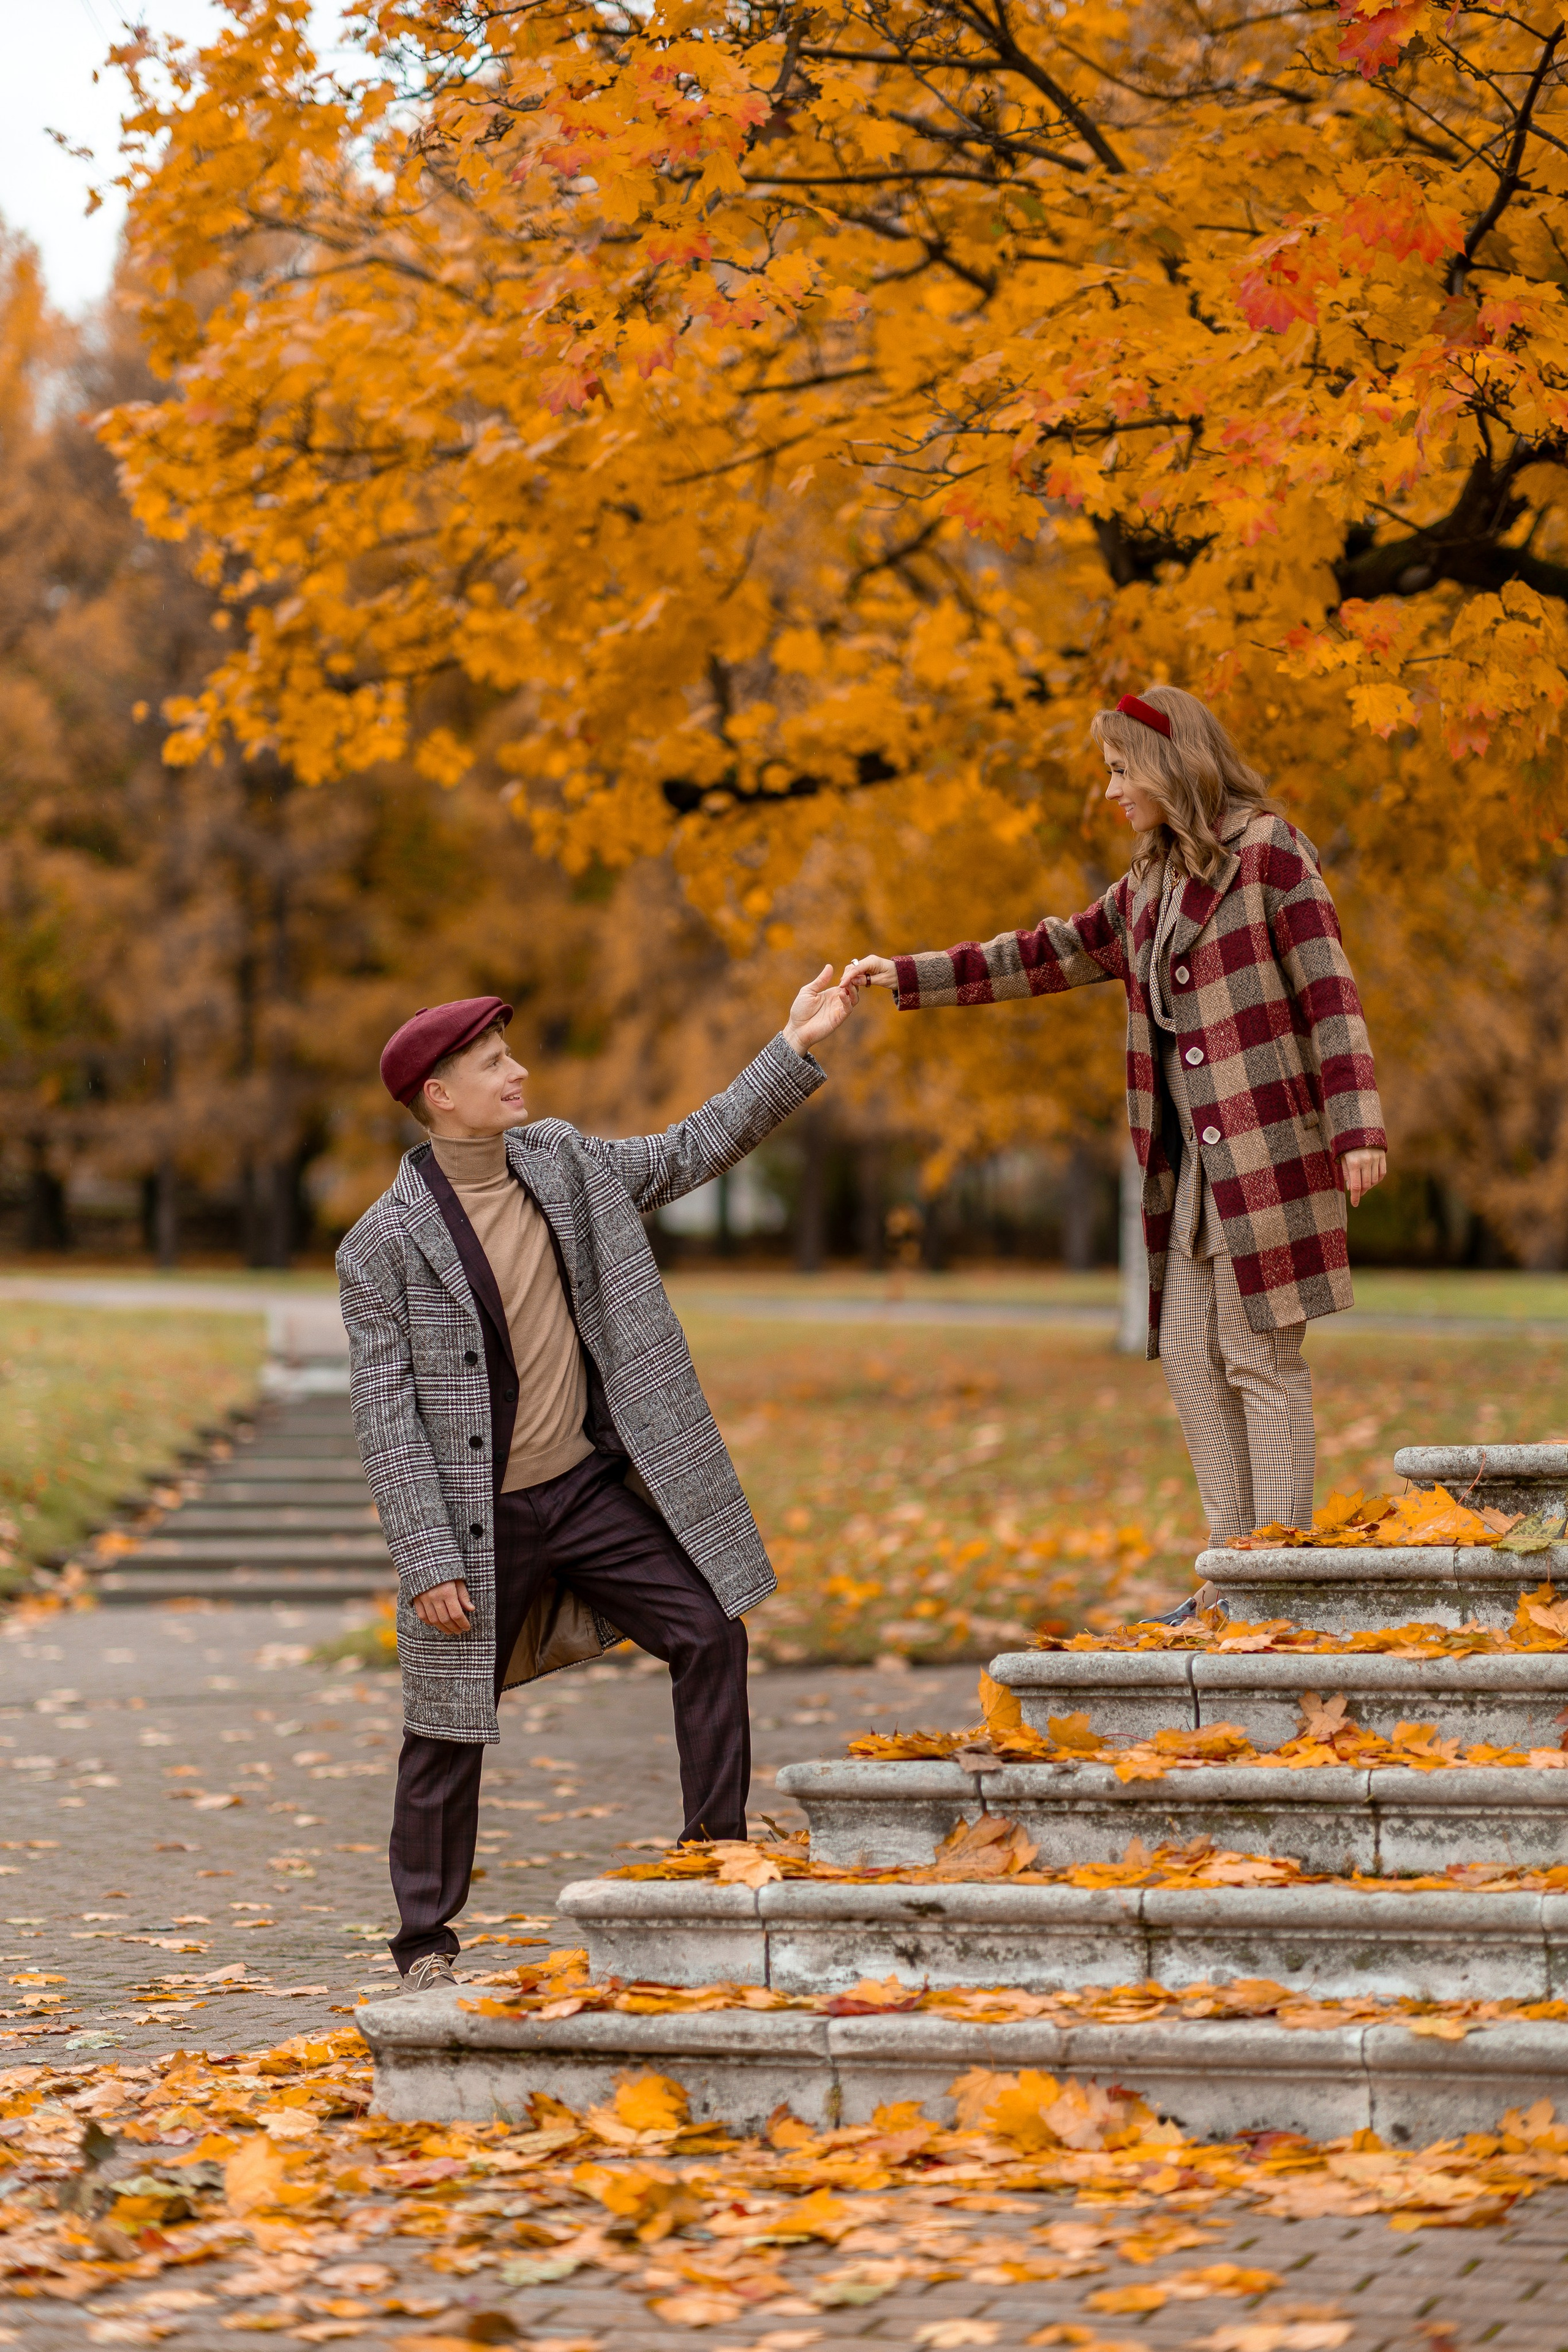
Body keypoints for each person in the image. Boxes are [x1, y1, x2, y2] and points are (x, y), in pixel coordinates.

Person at [337, 970, 858, 1990]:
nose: (517, 1073)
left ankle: (714, 1857)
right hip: (479, 1524)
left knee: (709, 1630)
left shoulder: (562, 1161)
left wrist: (792, 1047)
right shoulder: (382, 1248)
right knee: (446, 1724)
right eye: (495, 1065)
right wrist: (427, 1555)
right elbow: (387, 1421)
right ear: (440, 1095)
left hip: (583, 1489)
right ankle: (423, 1943)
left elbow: (683, 1151)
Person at [846, 685, 1386, 1599]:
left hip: (1270, 1159)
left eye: (1119, 771)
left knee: (1261, 1354)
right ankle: (1231, 1574)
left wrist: (1358, 1127)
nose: (1110, 792)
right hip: (1194, 1175)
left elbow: (1329, 996)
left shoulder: (1270, 855)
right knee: (1186, 1352)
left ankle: (1284, 1577)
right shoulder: (1148, 887)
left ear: (1169, 763)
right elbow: (1042, 953)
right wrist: (907, 975)